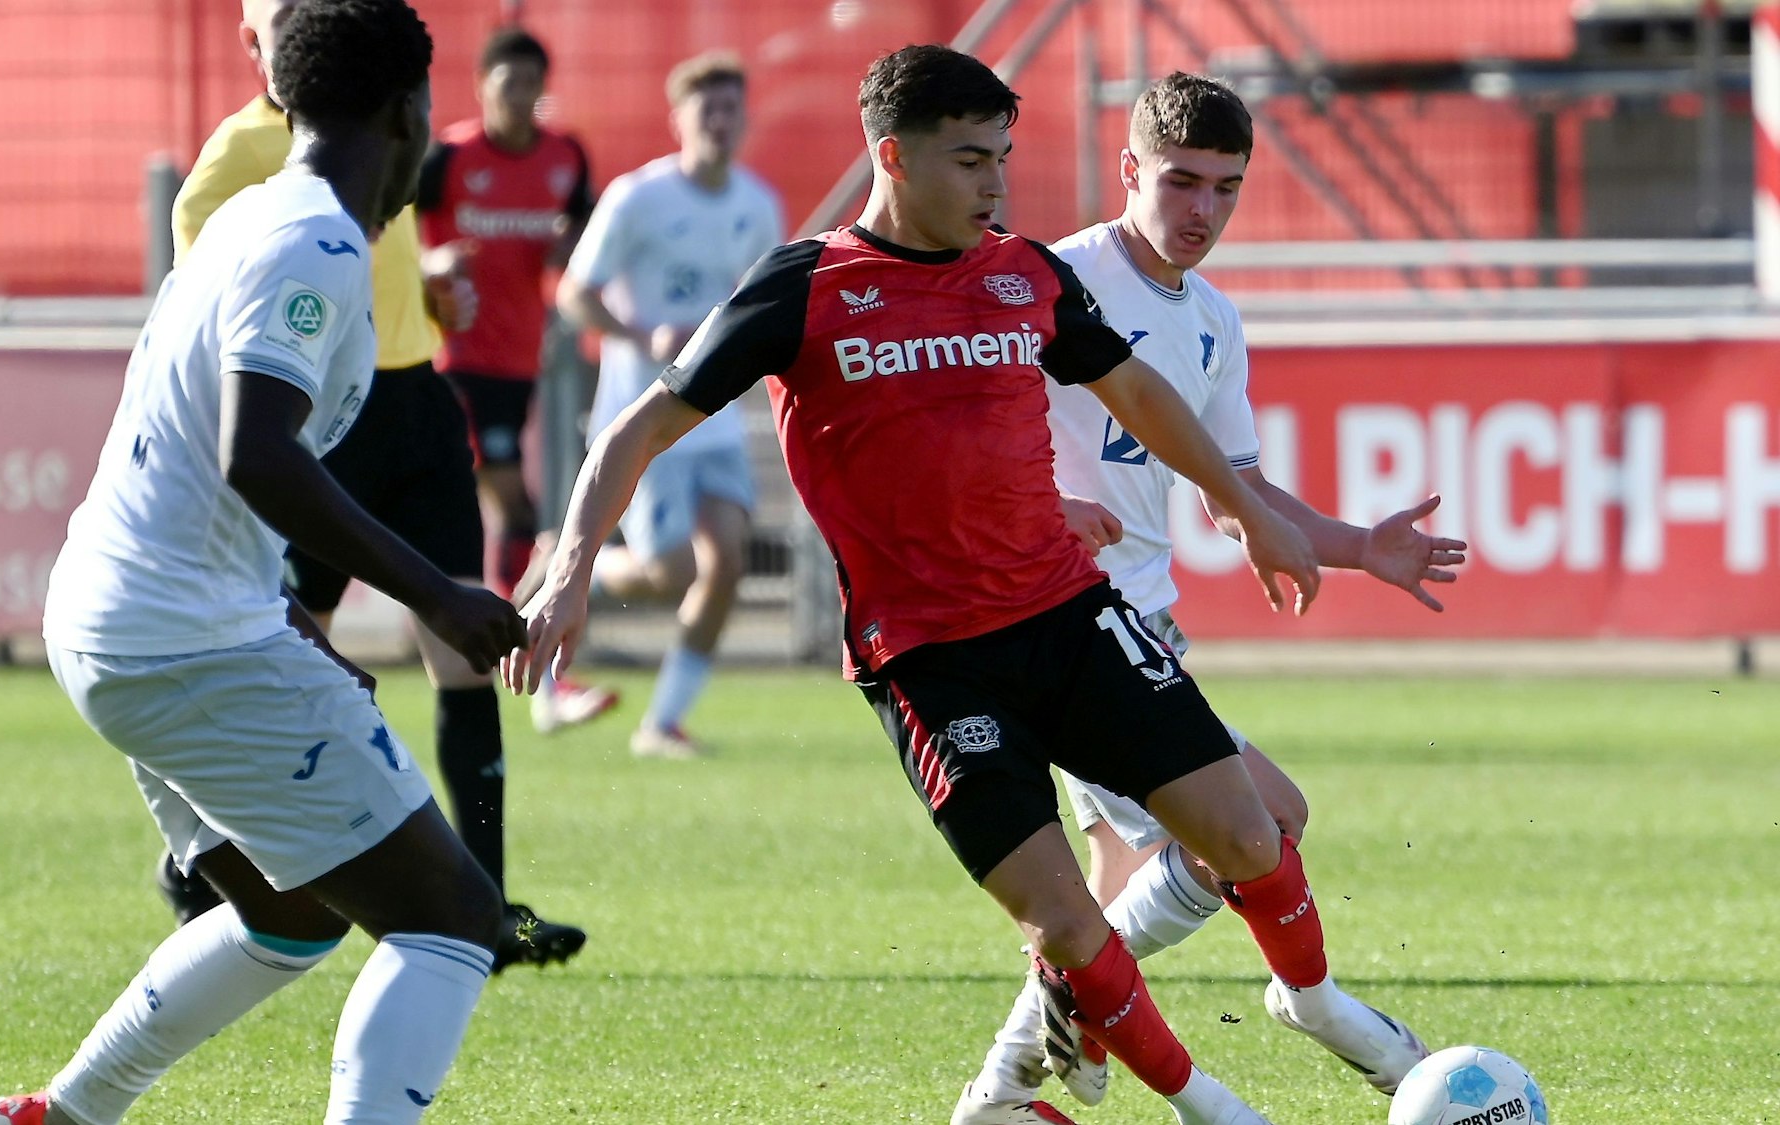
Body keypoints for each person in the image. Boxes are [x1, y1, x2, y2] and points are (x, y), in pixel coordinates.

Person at [508, 45, 1430, 1125]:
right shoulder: (803, 289)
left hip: (1072, 619)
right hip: (932, 662)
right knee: (1069, 931)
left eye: (1000, 158)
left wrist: (1261, 519)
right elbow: (634, 428)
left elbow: (1137, 392)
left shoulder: (1023, 273)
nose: (992, 186)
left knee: (1252, 831)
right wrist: (567, 570)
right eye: (968, 161)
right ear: (890, 156)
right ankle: (1208, 1111)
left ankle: (1292, 1009)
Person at [0, 2, 525, 1122]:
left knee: (296, 913)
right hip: (186, 639)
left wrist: (299, 630)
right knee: (451, 920)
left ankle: (65, 1114)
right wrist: (438, 595)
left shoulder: (258, 217)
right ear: (408, 112)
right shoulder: (311, 241)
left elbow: (204, 460)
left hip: (116, 624)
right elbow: (253, 454)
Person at [950, 72, 1464, 1125]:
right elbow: (957, 422)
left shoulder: (1211, 322)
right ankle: (1302, 1007)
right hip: (1057, 621)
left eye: (1224, 189)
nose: (1201, 211)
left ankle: (1011, 1091)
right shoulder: (1052, 281)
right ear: (1129, 168)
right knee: (1261, 819)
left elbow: (1234, 490)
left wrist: (1359, 545)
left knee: (1107, 899)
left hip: (1137, 621)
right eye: (1180, 181)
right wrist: (1043, 502)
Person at [154, 0, 586, 969]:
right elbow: (217, 321)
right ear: (253, 43)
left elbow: (374, 261)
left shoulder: (369, 131)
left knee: (461, 657)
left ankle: (490, 910)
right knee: (270, 652)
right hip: (317, 434)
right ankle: (196, 855)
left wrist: (424, 284)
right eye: (285, 22)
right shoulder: (231, 165)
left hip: (418, 408)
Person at [554, 52, 785, 758]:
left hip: (713, 421)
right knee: (671, 573)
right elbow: (574, 295)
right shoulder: (637, 198)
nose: (719, 122)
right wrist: (642, 333)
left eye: (730, 109)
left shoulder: (758, 203)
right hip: (644, 414)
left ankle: (663, 722)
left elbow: (764, 304)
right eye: (706, 109)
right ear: (677, 119)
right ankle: (563, 560)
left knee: (727, 565)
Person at [414, 26, 616, 734]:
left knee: (478, 517)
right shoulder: (449, 158)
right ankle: (514, 647)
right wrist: (430, 268)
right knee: (520, 509)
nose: (522, 98)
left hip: (518, 357)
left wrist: (570, 246)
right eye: (509, 84)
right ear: (484, 87)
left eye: (532, 84)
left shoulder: (566, 157)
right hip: (452, 359)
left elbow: (586, 233)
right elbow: (392, 230)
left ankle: (498, 639)